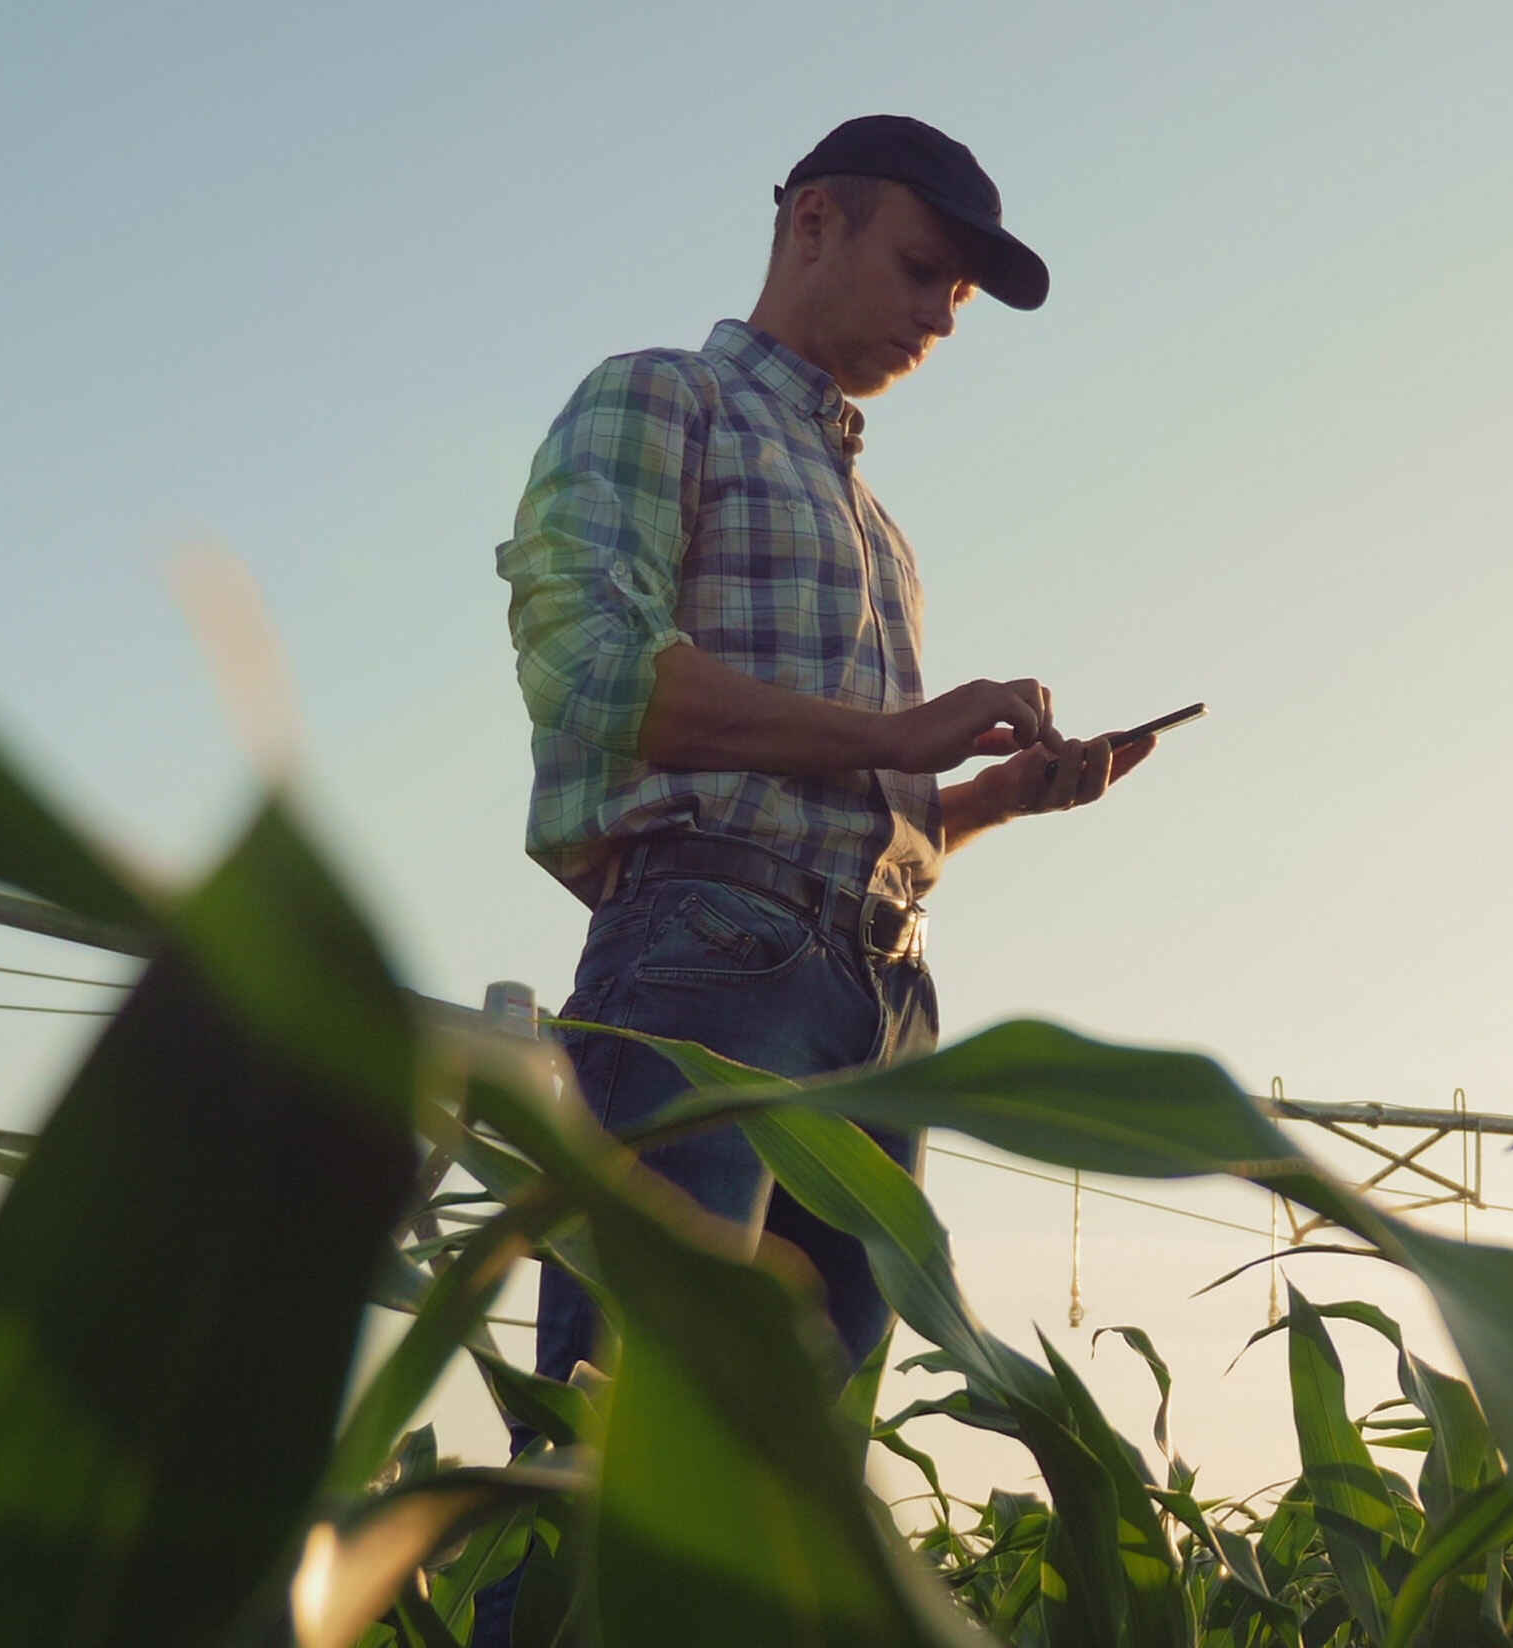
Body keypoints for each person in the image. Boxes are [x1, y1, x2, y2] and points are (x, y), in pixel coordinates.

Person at [474, 114, 1146, 1637]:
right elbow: (593, 672)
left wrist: (983, 802)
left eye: (959, 302)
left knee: (790, 1504)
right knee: (622, 1440)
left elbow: (844, 802)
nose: (936, 317)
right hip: (709, 961)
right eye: (923, 269)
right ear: (816, 222)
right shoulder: (666, 400)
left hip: (877, 1002)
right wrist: (896, 728)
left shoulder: (877, 529)